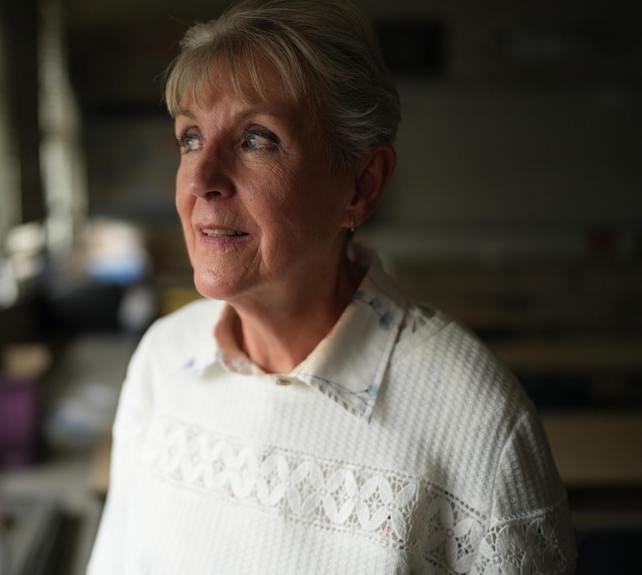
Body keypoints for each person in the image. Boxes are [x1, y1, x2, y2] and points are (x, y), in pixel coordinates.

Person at [87, 0, 577, 572]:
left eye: (256, 139)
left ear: (361, 186)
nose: (200, 178)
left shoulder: (480, 427)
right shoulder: (161, 362)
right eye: (191, 138)